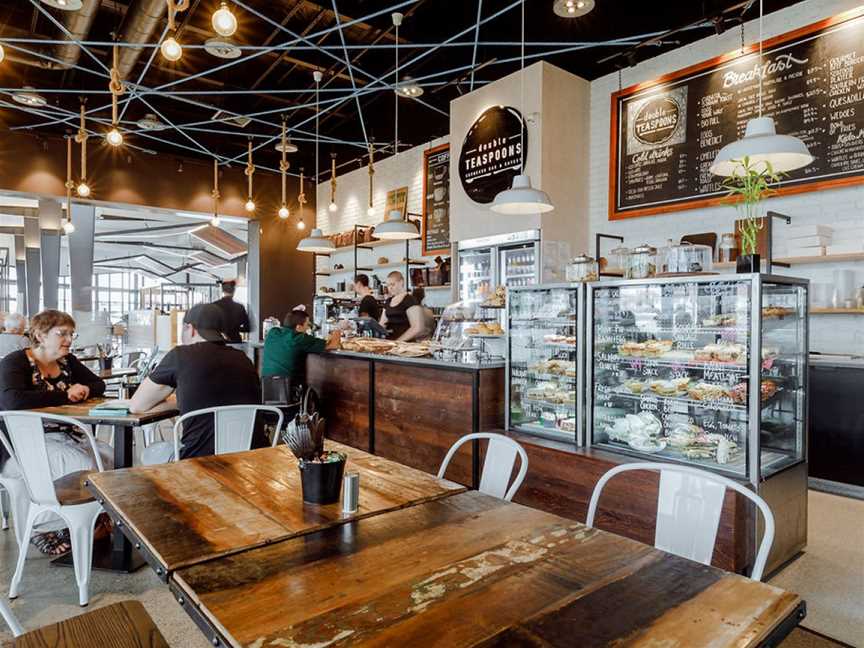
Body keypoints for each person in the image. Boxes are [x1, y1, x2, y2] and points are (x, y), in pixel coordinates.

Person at [0, 309, 112, 556]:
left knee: (109, 456)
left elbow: (99, 384)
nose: (69, 340)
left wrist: (83, 387)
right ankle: (46, 527)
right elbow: (13, 400)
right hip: (24, 444)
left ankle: (94, 521)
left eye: (72, 334)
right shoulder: (15, 362)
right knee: (82, 464)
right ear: (40, 335)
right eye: (62, 333)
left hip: (68, 436)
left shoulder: (67, 362)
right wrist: (65, 394)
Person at [130, 303, 265, 462]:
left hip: (198, 460)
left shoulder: (180, 356)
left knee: (150, 453)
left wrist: (177, 402)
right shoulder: (244, 359)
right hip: (249, 458)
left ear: (190, 328)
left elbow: (136, 406)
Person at [262, 308, 340, 385]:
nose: (308, 327)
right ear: (298, 327)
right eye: (307, 324)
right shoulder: (300, 338)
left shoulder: (272, 332)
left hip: (266, 386)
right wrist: (338, 327)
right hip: (290, 387)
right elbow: (334, 345)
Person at [380, 271, 425, 341]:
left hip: (405, 345)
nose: (390, 288)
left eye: (392, 284)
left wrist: (398, 342)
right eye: (388, 285)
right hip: (390, 343)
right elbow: (382, 324)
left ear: (401, 282)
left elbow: (417, 327)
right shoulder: (388, 301)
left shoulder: (410, 300)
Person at [212, 279, 250, 344]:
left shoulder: (214, 305)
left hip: (218, 342)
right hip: (235, 341)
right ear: (234, 291)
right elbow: (247, 328)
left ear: (222, 291)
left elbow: (209, 326)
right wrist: (235, 328)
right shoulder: (240, 307)